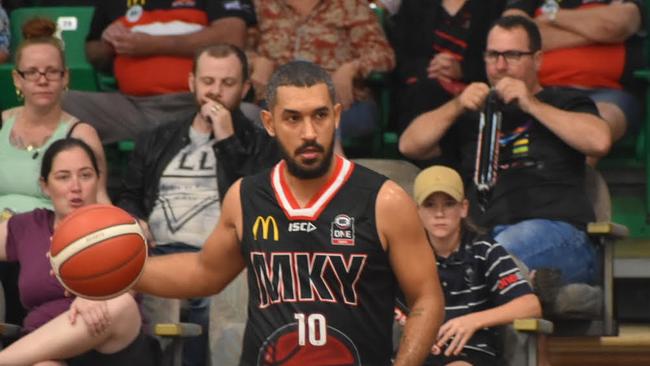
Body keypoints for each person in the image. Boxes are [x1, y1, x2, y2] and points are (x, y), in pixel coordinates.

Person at [135, 61, 444, 365]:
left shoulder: (384, 200)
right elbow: (204, 273)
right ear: (269, 123)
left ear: (336, 116)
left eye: (320, 115)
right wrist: (127, 274)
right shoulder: (245, 197)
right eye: (293, 118)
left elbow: (427, 298)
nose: (309, 133)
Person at [399, 15, 611, 286]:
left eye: (512, 55)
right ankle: (521, 286)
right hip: (485, 235)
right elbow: (410, 145)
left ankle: (507, 282)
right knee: (463, 255)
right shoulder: (470, 115)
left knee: (491, 253)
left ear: (537, 60)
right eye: (493, 55)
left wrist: (531, 104)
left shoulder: (564, 101)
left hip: (560, 235)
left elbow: (599, 141)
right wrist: (457, 105)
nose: (500, 66)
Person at [117, 43, 279, 366]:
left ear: (245, 88)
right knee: (152, 299)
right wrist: (134, 217)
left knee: (216, 303)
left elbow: (257, 203)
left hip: (223, 258)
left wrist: (228, 141)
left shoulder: (260, 142)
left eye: (228, 83)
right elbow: (128, 196)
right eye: (208, 82)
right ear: (192, 82)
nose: (215, 92)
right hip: (158, 250)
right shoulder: (156, 137)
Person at [0, 138, 160, 365]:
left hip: (113, 346)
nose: (76, 186)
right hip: (43, 352)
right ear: (45, 186)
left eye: (85, 175)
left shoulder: (121, 228)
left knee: (120, 303)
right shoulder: (28, 227)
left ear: (98, 180)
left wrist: (95, 296)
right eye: (63, 177)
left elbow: (132, 288)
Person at [0, 17, 109, 327]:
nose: (42, 79)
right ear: (17, 80)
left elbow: (99, 202)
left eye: (51, 72)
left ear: (66, 78)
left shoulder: (81, 134)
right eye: (32, 73)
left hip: (49, 251)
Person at [396, 165, 541, 366]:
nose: (439, 213)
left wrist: (473, 321)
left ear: (463, 208)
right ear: (417, 211)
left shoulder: (484, 249)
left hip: (471, 355)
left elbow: (530, 305)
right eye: (430, 205)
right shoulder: (403, 255)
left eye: (448, 204)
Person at [62, 0, 256, 144]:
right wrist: (108, 42)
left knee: (250, 115)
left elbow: (231, 36)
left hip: (196, 105)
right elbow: (94, 52)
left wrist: (152, 45)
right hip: (132, 108)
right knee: (59, 103)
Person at [247, 0, 395, 141]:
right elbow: (235, 52)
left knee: (315, 120)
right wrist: (255, 61)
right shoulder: (262, 4)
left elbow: (383, 55)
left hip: (340, 103)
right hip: (275, 103)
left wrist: (351, 68)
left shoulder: (350, 4)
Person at [504, 0, 644, 148]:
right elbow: (513, 36)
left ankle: (575, 171)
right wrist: (600, 33)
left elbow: (615, 25)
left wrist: (551, 16)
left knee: (591, 129)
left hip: (608, 94)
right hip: (539, 90)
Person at [391, 0, 505, 133]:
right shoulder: (414, 4)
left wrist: (462, 70)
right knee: (425, 92)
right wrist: (431, 68)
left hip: (472, 86)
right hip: (422, 84)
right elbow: (400, 55)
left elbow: (500, 58)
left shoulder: (494, 6)